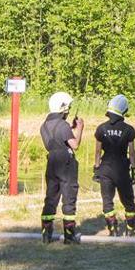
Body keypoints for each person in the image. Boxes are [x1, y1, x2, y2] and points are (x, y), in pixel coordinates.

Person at [39, 91, 83, 244]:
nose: (69, 111)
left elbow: (55, 141)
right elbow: (75, 145)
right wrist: (79, 128)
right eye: (68, 108)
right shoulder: (63, 125)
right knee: (69, 198)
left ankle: (46, 234)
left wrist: (69, 130)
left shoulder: (43, 126)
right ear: (62, 108)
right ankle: (69, 236)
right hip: (66, 162)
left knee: (51, 198)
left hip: (51, 161)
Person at [93, 94, 135, 237]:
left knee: (107, 200)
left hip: (105, 169)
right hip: (122, 169)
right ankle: (131, 229)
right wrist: (134, 169)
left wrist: (96, 168)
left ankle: (112, 230)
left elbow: (98, 151)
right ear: (124, 111)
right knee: (128, 200)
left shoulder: (101, 128)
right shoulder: (129, 129)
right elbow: (131, 153)